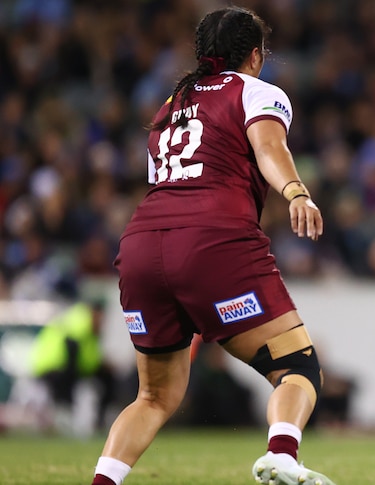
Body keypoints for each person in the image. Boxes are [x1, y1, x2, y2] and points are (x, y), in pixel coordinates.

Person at [89, 7, 334, 485]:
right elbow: (269, 148)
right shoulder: (256, 90)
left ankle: (102, 482)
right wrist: (297, 192)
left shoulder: (171, 103)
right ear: (256, 55)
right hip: (210, 241)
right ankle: (282, 456)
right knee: (295, 364)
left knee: (154, 397)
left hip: (140, 246)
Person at [30, 296, 116, 434]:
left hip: (63, 365)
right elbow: (72, 355)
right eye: (100, 317)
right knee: (68, 379)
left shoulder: (89, 330)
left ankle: (101, 420)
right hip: (52, 365)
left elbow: (88, 357)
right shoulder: (79, 322)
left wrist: (101, 365)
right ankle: (64, 418)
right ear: (94, 313)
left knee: (106, 377)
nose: (102, 322)